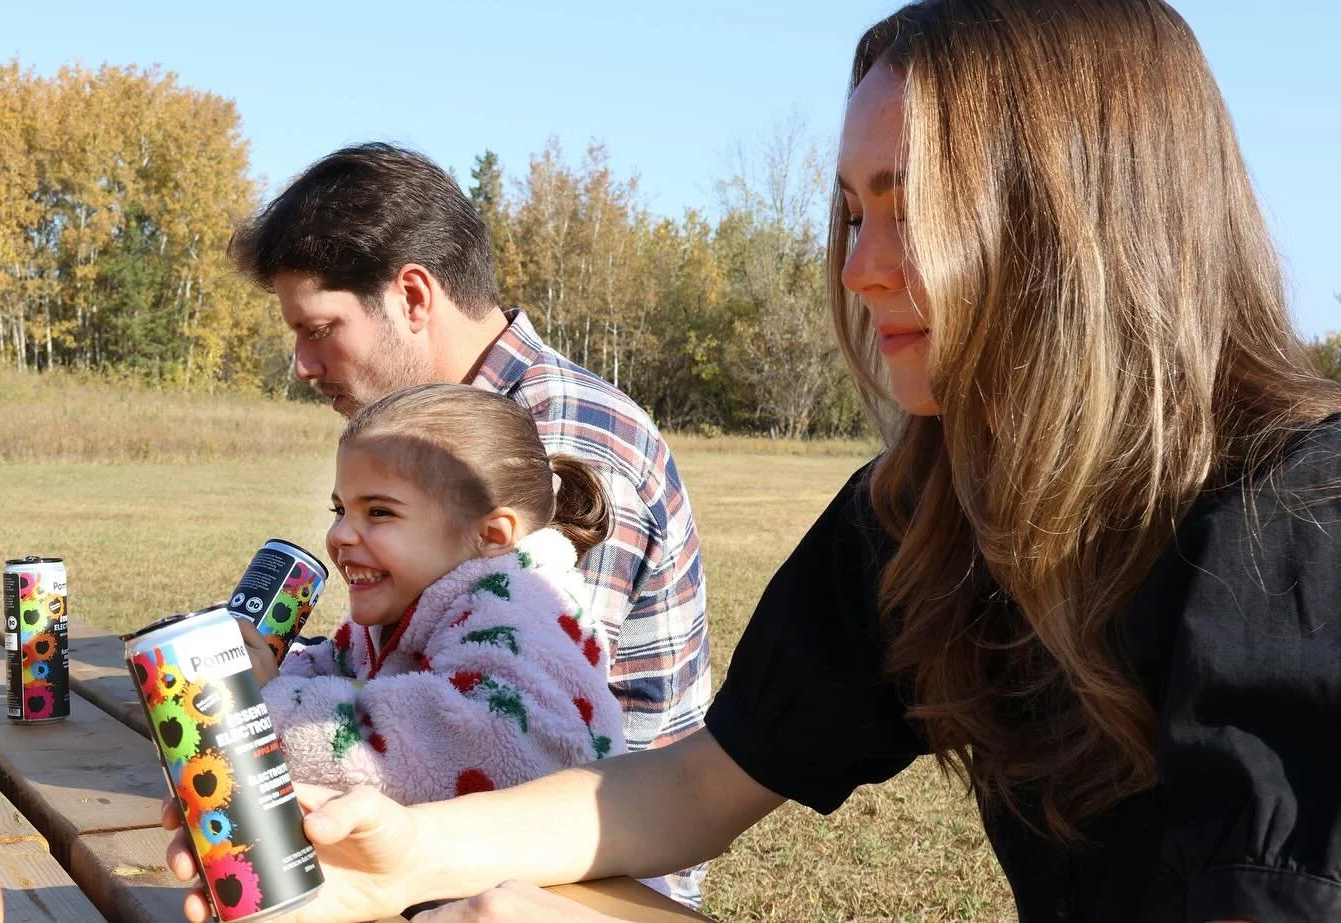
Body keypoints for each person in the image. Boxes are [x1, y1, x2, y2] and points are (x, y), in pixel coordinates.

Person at [167, 1, 1341, 920]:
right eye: (848, 214)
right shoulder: (925, 514)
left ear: (1082, 219)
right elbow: (688, 785)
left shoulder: (1296, 531)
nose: (861, 267)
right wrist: (402, 851)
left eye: (911, 205)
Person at [230, 142, 711, 903]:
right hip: (447, 832)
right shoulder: (441, 440)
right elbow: (385, 660)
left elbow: (504, 730)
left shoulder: (560, 440)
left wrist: (265, 710)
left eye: (319, 328)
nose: (302, 364)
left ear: (414, 297)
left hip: (584, 879)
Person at [233, 384, 625, 804]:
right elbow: (332, 665)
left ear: (489, 535)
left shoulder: (520, 613)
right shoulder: (408, 605)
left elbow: (462, 746)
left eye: (379, 512)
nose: (339, 534)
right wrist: (245, 670)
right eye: (340, 510)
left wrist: (271, 709)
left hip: (566, 868)